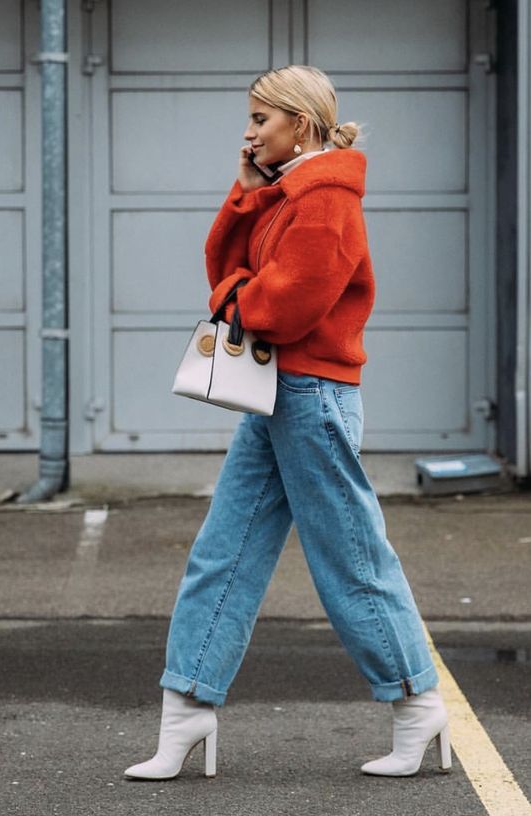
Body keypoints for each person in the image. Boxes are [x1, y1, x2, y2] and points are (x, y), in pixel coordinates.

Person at [124, 65, 450, 782]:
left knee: (349, 557)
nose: (248, 132)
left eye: (260, 120)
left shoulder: (327, 198)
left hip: (313, 394)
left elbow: (280, 308)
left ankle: (416, 704)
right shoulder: (282, 193)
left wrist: (238, 292)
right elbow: (224, 265)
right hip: (277, 392)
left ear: (299, 125)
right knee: (225, 548)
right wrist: (243, 196)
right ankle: (187, 714)